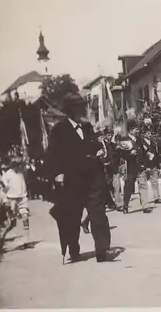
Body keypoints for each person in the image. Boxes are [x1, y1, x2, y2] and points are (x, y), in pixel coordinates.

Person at [45, 92, 112, 263]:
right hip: (72, 180)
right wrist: (58, 174)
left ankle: (102, 251)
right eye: (79, 107)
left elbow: (96, 145)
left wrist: (100, 151)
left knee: (98, 214)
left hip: (93, 179)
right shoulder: (59, 130)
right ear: (71, 110)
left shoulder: (88, 127)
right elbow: (53, 155)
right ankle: (73, 249)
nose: (83, 109)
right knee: (71, 217)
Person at [119, 121, 153, 214]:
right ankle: (125, 205)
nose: (137, 131)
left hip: (140, 166)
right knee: (129, 188)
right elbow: (121, 154)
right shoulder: (124, 139)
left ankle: (145, 206)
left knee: (143, 185)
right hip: (130, 167)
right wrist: (129, 154)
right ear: (131, 130)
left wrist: (147, 164)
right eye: (136, 129)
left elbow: (144, 152)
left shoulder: (139, 139)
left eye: (137, 129)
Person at [1, 156, 35, 248]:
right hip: (12, 199)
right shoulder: (7, 175)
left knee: (25, 218)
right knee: (11, 223)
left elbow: (23, 184)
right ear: (12, 165)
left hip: (22, 198)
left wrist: (25, 195)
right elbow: (3, 189)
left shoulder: (21, 173)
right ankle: (1, 238)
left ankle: (27, 240)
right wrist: (5, 200)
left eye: (19, 165)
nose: (18, 167)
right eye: (16, 165)